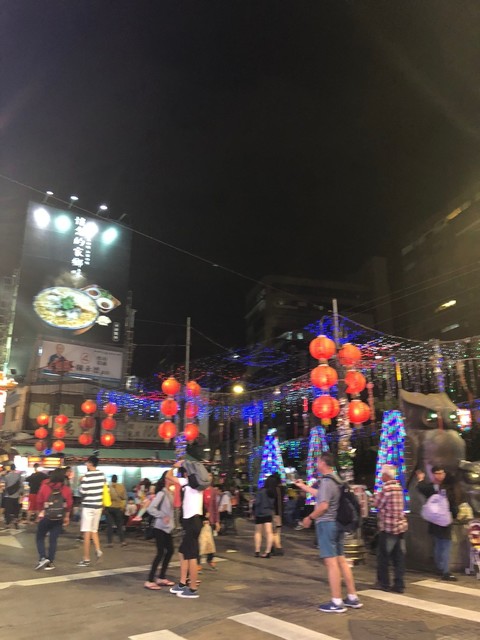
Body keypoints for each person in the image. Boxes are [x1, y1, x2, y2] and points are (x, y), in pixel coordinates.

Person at [295, 452, 363, 613]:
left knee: (331, 563)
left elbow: (323, 506)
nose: (317, 464)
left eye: (318, 461)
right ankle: (352, 597)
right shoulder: (336, 479)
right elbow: (320, 496)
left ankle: (336, 601)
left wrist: (309, 518)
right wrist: (303, 486)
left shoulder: (326, 481)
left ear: (323, 463)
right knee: (341, 560)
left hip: (327, 524)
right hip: (338, 524)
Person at [167, 460, 203, 598]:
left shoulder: (187, 481)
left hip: (192, 521)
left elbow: (168, 476)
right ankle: (182, 583)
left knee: (191, 556)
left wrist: (174, 466)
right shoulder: (198, 484)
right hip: (194, 521)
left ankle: (192, 589)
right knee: (183, 552)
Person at [416, 465, 458, 581]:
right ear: (434, 474)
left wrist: (420, 479)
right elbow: (453, 503)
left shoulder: (439, 487)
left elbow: (421, 487)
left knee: (441, 544)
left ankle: (441, 568)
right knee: (443, 545)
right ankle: (445, 571)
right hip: (441, 521)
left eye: (442, 473)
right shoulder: (438, 487)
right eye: (438, 473)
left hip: (437, 521)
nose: (440, 476)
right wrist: (455, 514)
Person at [373, 464, 408, 593]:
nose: (381, 477)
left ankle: (384, 583)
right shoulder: (399, 487)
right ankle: (399, 584)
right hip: (400, 526)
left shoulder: (386, 489)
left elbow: (377, 504)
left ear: (386, 475)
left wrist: (373, 498)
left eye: (382, 474)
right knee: (398, 557)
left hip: (388, 527)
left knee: (383, 556)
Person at [35, 468, 73, 570]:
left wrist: (39, 513)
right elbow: (69, 504)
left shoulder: (44, 487)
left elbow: (39, 501)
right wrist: (67, 516)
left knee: (40, 537)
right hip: (58, 518)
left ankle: (42, 557)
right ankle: (50, 562)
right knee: (53, 540)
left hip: (46, 516)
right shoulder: (66, 489)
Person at [144, 472, 176, 590]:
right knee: (161, 552)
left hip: (167, 528)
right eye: (172, 477)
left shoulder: (170, 493)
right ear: (167, 479)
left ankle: (161, 577)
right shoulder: (162, 493)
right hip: (160, 527)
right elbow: (150, 508)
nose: (174, 479)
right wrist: (162, 516)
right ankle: (150, 580)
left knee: (170, 551)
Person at [77, 455, 105, 567]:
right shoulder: (102, 475)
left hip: (88, 506)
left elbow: (82, 491)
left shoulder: (86, 476)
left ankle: (86, 559)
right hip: (98, 506)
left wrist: (80, 482)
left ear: (90, 463)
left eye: (86, 463)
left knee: (87, 533)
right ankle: (98, 550)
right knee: (94, 530)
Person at [201, 477, 220, 569]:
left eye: (210, 477)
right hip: (201, 519)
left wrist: (217, 521)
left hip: (211, 519)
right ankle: (197, 563)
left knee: (210, 541)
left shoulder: (213, 491)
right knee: (200, 541)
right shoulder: (200, 489)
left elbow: (215, 507)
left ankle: (210, 559)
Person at [253, 482, 274, 558]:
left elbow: (257, 502)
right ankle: (268, 551)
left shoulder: (261, 491)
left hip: (259, 513)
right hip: (268, 513)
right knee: (269, 532)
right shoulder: (272, 493)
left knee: (258, 532)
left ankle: (257, 551)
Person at [105, 474, 127, 547]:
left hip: (109, 507)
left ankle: (110, 542)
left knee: (109, 526)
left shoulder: (108, 487)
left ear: (111, 479)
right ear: (117, 479)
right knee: (119, 525)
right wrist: (123, 507)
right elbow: (124, 497)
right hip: (118, 507)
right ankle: (122, 541)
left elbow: (105, 497)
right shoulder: (121, 487)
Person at [269, 472, 286, 555]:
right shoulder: (281, 489)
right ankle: (276, 546)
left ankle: (276, 547)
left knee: (272, 531)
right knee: (277, 531)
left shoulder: (270, 490)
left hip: (272, 512)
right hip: (279, 512)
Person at [3, 464, 23, 529]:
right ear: (15, 468)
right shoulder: (18, 476)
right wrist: (21, 494)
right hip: (16, 496)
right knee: (16, 510)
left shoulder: (7, 476)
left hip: (8, 496)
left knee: (8, 510)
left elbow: (5, 485)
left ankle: (7, 524)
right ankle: (16, 523)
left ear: (10, 468)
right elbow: (21, 486)